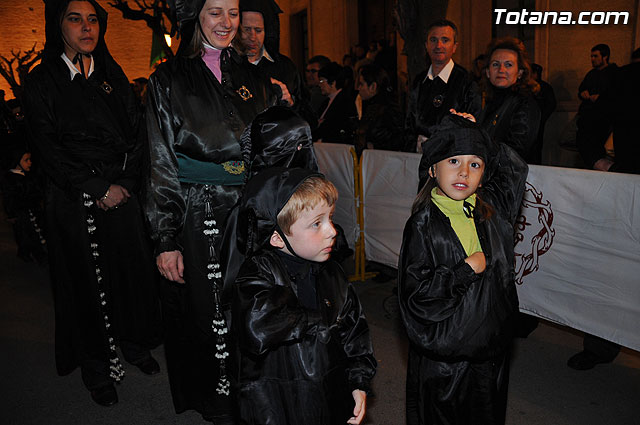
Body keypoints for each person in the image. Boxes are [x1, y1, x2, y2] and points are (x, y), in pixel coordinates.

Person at [144, 0, 280, 421]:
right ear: (195, 17)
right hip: (198, 208)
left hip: (251, 210)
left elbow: (274, 148)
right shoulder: (167, 78)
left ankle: (256, 396)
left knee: (255, 305)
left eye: (233, 12)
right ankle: (219, 402)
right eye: (215, 11)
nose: (226, 22)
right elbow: (159, 158)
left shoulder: (255, 77)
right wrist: (165, 237)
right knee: (209, 312)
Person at [22, 0, 162, 407]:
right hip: (71, 196)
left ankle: (133, 343)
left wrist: (121, 183)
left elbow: (137, 136)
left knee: (129, 271)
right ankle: (96, 365)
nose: (87, 28)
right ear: (58, 26)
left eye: (93, 20)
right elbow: (46, 146)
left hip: (120, 192)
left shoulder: (112, 76)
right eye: (75, 19)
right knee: (82, 282)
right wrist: (95, 187)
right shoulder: (41, 81)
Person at [398, 116, 528, 425]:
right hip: (446, 363)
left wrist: (478, 133)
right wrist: (462, 272)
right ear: (432, 168)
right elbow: (416, 298)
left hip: (490, 354)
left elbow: (514, 168)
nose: (463, 172)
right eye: (454, 160)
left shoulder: (493, 208)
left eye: (475, 164)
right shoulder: (424, 224)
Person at [232, 167, 377, 425]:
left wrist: (358, 382)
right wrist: (317, 319)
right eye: (316, 224)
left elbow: (355, 334)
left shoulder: (333, 274)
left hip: (328, 392)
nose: (332, 230)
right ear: (277, 237)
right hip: (276, 403)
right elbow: (257, 325)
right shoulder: (258, 273)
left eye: (330, 218)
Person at [405, 19, 481, 153]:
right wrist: (414, 144)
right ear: (426, 45)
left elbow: (471, 127)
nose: (438, 45)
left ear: (454, 47)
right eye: (433, 40)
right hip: (417, 156)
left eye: (445, 40)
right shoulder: (419, 80)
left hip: (451, 158)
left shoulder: (467, 81)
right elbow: (408, 122)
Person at [239, 0, 316, 128]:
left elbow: (310, 121)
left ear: (266, 32)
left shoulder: (286, 68)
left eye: (258, 30)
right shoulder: (227, 65)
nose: (252, 37)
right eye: (246, 29)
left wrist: (291, 102)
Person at [472, 37, 541, 163]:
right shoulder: (483, 101)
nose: (501, 70)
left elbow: (516, 150)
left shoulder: (525, 103)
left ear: (520, 72)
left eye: (508, 65)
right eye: (495, 64)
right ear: (487, 72)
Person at [1, 147, 47, 264]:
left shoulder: (27, 176)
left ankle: (27, 253)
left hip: (33, 210)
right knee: (29, 235)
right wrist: (11, 213)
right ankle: (38, 256)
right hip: (22, 213)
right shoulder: (11, 179)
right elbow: (9, 198)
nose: (29, 163)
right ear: (17, 161)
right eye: (26, 160)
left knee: (33, 233)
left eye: (29, 159)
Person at [576, 44, 618, 170]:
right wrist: (583, 93)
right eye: (591, 56)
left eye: (595, 56)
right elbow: (582, 89)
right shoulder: (591, 74)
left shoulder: (615, 73)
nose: (592, 59)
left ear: (605, 57)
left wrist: (601, 97)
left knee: (600, 151)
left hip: (603, 120)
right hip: (587, 117)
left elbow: (616, 94)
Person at [355, 63, 404, 153]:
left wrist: (376, 146)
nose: (358, 88)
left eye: (361, 84)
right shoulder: (372, 105)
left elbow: (400, 137)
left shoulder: (387, 108)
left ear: (373, 86)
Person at [313, 62, 358, 144]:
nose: (319, 84)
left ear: (333, 82)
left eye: (322, 80)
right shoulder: (326, 102)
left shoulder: (344, 102)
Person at [530, 63, 556, 165]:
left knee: (536, 147)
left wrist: (541, 118)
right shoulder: (525, 87)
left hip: (538, 122)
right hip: (528, 121)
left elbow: (551, 105)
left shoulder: (545, 87)